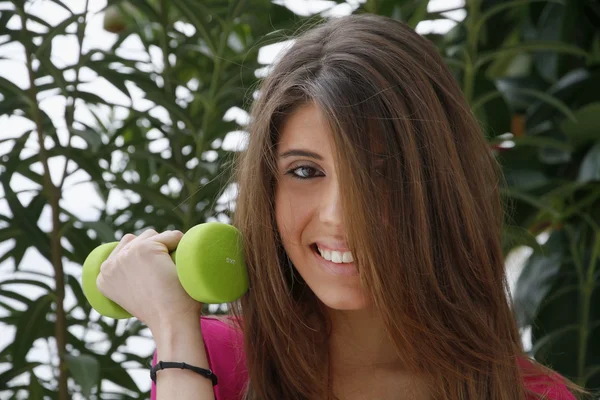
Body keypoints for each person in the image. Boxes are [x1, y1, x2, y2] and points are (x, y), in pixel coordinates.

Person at [96, 13, 587, 400]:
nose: (340, 216)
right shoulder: (210, 357)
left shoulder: (531, 395)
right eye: (305, 171)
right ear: (268, 188)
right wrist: (174, 329)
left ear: (439, 189)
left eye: (381, 172)